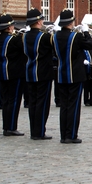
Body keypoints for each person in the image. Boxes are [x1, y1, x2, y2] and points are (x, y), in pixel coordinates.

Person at [52, 9, 92, 143]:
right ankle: (71, 135)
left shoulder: (55, 36)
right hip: (75, 74)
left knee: (64, 106)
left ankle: (63, 135)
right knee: (74, 106)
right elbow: (90, 45)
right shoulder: (76, 36)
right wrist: (86, 31)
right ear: (71, 22)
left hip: (61, 74)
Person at [23, 8, 54, 140]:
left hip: (30, 72)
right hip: (43, 72)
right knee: (42, 103)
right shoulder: (45, 37)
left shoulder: (24, 36)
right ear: (38, 22)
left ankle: (33, 130)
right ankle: (39, 131)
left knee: (33, 103)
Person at [0, 14, 27, 136]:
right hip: (15, 72)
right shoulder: (14, 39)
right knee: (14, 101)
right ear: (8, 27)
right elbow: (25, 51)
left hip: (3, 72)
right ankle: (11, 127)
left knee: (6, 101)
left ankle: (6, 126)